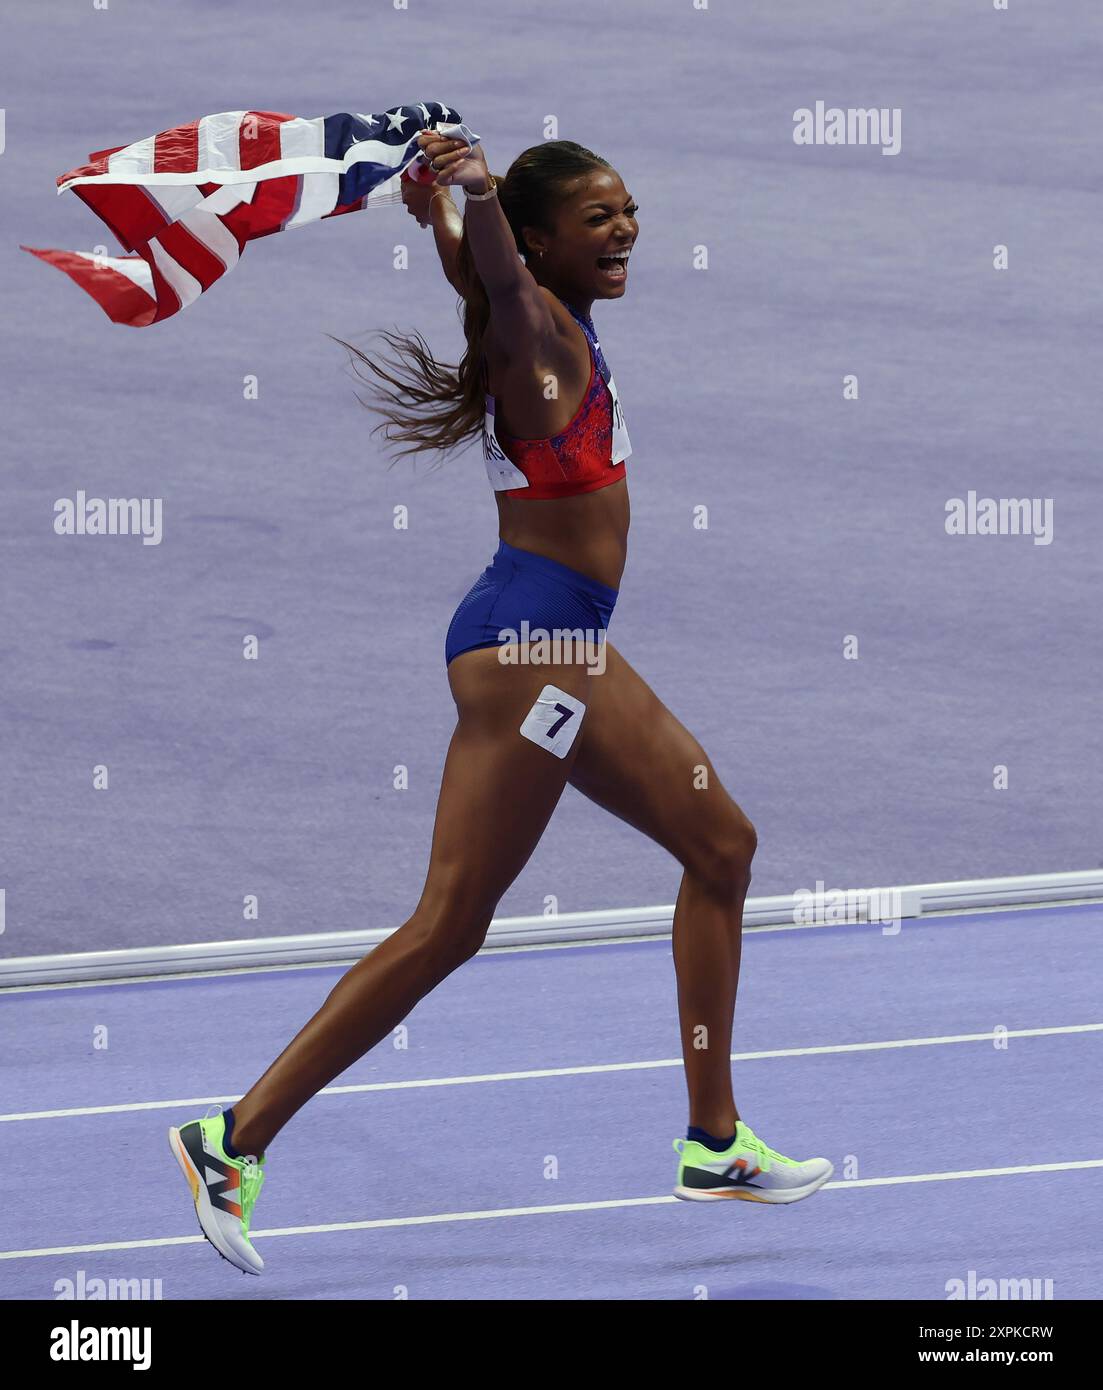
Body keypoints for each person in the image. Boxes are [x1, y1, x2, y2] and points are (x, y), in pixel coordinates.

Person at [169, 127, 832, 1275]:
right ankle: (232, 1139)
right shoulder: (528, 322)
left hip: (560, 645)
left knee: (721, 845)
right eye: (598, 219)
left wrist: (435, 200)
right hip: (532, 660)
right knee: (449, 922)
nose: (624, 231)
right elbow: (493, 269)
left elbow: (478, 266)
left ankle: (713, 1139)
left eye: (629, 210)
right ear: (536, 241)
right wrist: (466, 193)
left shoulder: (526, 312)